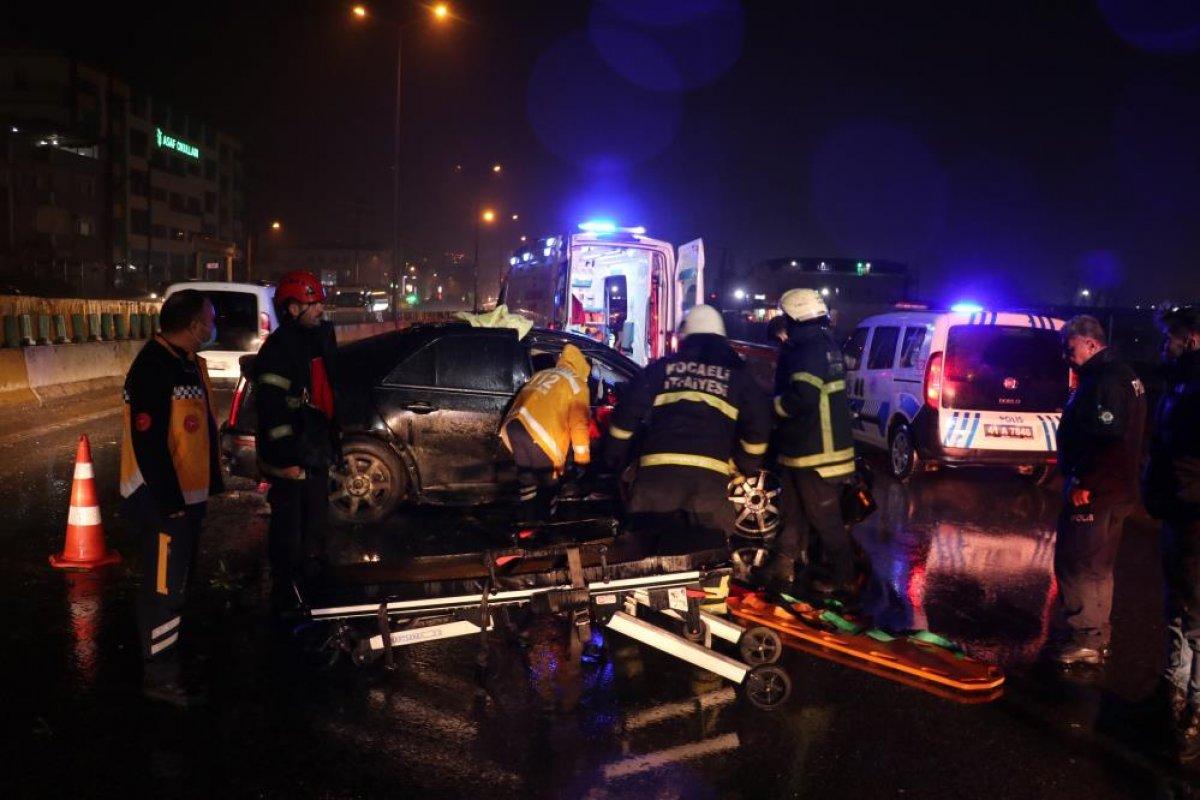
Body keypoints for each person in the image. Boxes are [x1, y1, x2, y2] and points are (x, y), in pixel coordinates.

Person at [120, 289, 224, 705]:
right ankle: (159, 675)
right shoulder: (153, 367)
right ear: (193, 324)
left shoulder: (187, 363)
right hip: (162, 502)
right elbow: (148, 445)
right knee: (164, 588)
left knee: (179, 584)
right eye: (210, 318)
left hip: (185, 500)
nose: (213, 324)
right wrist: (171, 503)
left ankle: (171, 656)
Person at [605, 304, 771, 551]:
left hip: (657, 480)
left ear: (686, 337)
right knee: (708, 556)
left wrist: (613, 456)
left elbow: (627, 413)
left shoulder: (662, 368)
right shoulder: (738, 377)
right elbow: (759, 425)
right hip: (708, 482)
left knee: (643, 555)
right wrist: (745, 464)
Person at [1050, 314, 1146, 665]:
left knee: (1079, 562)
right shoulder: (1120, 374)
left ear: (1090, 343)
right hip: (1116, 488)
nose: (1066, 354)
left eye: (1070, 346)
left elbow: (1108, 438)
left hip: (1098, 491)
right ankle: (1094, 633)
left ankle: (1087, 638)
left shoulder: (1105, 380)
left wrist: (1084, 482)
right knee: (1098, 564)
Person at [756, 288, 857, 597]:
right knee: (794, 514)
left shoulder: (807, 350)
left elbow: (803, 398)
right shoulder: (822, 343)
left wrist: (771, 408)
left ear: (795, 316)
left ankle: (846, 581)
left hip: (816, 454)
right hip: (807, 451)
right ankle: (781, 568)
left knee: (825, 521)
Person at [253, 270, 340, 614]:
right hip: (292, 458)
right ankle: (285, 599)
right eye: (312, 302)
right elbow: (273, 412)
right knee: (289, 530)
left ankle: (309, 591)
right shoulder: (278, 351)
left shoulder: (316, 340)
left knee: (314, 526)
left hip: (314, 451)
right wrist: (286, 460)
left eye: (320, 301)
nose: (320, 308)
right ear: (291, 309)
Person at [1143, 306, 1200, 760]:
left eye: (1173, 337)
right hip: (1177, 516)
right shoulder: (1179, 384)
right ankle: (1172, 695)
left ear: (1194, 339)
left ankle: (1192, 715)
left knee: (1197, 618)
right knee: (1177, 609)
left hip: (1194, 517)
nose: (1166, 346)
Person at [499, 343, 592, 522]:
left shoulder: (544, 373)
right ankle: (545, 527)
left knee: (527, 479)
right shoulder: (578, 384)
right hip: (539, 434)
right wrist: (582, 461)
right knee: (550, 484)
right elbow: (579, 424)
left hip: (515, 425)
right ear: (582, 368)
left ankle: (526, 524)